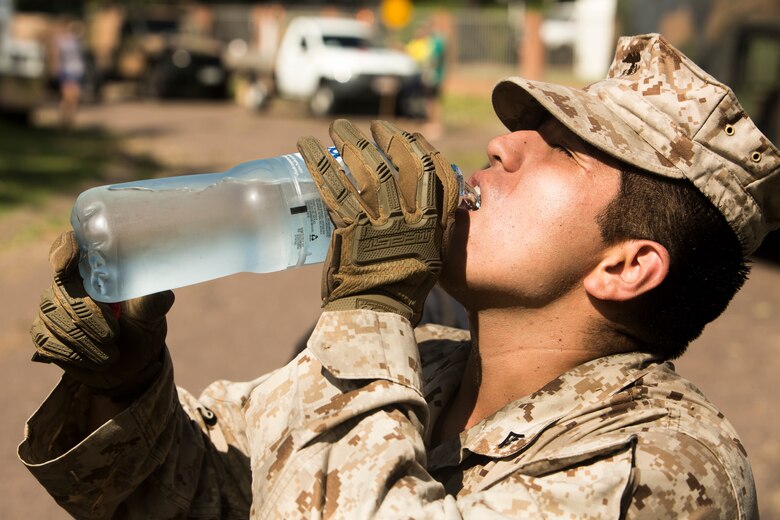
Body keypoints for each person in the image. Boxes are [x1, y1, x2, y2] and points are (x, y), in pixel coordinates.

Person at [20, 34, 778, 518]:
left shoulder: (669, 466)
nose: (504, 145)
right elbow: (198, 495)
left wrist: (371, 300)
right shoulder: (429, 360)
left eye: (564, 149)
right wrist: (125, 383)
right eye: (526, 127)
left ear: (627, 265)